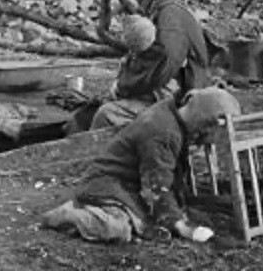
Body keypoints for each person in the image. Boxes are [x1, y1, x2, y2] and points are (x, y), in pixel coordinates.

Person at [42, 87, 241, 244]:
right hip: (108, 183)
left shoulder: (173, 113)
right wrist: (181, 226)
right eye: (212, 129)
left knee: (151, 218)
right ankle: (66, 215)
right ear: (205, 121)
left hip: (131, 181)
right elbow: (156, 186)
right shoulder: (162, 133)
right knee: (118, 229)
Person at [90, 0, 209, 130]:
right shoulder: (163, 10)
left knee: (106, 115)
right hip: (173, 90)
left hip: (184, 100)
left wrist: (124, 86)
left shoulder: (171, 15)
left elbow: (161, 65)